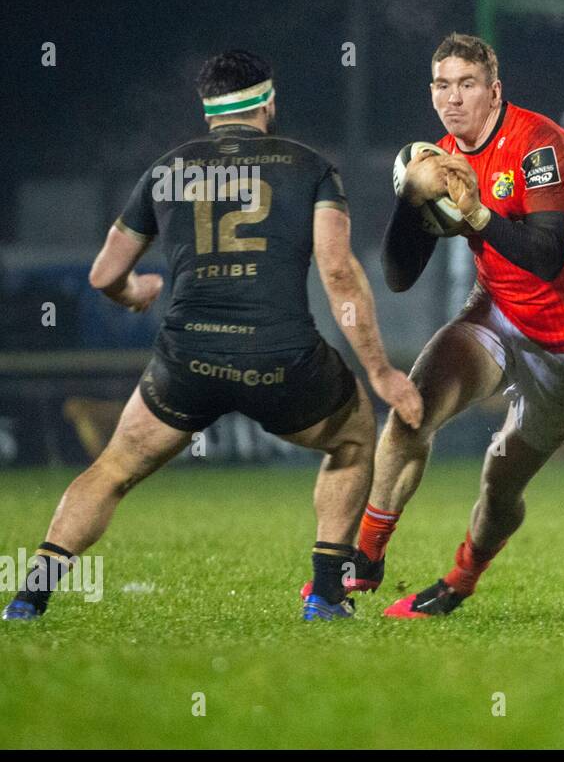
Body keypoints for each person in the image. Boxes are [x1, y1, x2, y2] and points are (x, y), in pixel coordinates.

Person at [2, 50, 422, 623]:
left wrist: (134, 292)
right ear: (268, 102)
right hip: (282, 360)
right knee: (352, 442)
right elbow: (340, 273)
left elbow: (103, 274)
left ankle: (29, 598)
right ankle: (326, 595)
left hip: (187, 359)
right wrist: (380, 373)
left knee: (112, 470)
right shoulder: (309, 167)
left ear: (209, 112)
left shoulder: (168, 168)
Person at [352, 32, 564, 619]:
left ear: (494, 91)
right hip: (497, 311)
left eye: (467, 85)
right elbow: (399, 276)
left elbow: (547, 257)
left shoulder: (541, 145)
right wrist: (409, 198)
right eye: (442, 86)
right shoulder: (441, 157)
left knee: (501, 483)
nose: (453, 98)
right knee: (414, 408)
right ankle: (365, 557)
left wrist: (473, 212)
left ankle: (461, 579)